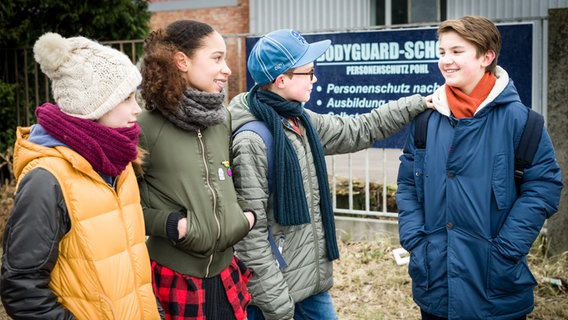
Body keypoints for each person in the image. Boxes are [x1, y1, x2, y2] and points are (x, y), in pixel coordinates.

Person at [228, 29, 430, 320]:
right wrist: (276, 302)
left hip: (310, 283)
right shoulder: (252, 140)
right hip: (273, 293)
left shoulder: (300, 120)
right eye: (308, 72)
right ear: (281, 80)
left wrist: (417, 104)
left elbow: (359, 129)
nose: (315, 78)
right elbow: (250, 235)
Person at [396, 16, 563, 320]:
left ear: (487, 57)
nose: (446, 60)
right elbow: (408, 184)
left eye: (457, 52)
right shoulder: (426, 119)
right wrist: (415, 240)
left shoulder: (523, 122)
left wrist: (505, 251)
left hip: (496, 286)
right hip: (436, 286)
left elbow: (543, 188)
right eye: (442, 52)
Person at [0, 32, 160, 319]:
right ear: (91, 106)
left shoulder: (118, 164)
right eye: (126, 98)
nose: (137, 109)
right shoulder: (46, 179)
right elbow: (22, 288)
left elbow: (132, 264)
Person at [137, 19, 256, 320]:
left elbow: (225, 177)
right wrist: (170, 224)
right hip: (175, 276)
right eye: (216, 58)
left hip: (226, 271)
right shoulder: (144, 126)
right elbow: (121, 203)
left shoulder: (222, 118)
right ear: (182, 61)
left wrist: (242, 217)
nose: (227, 69)